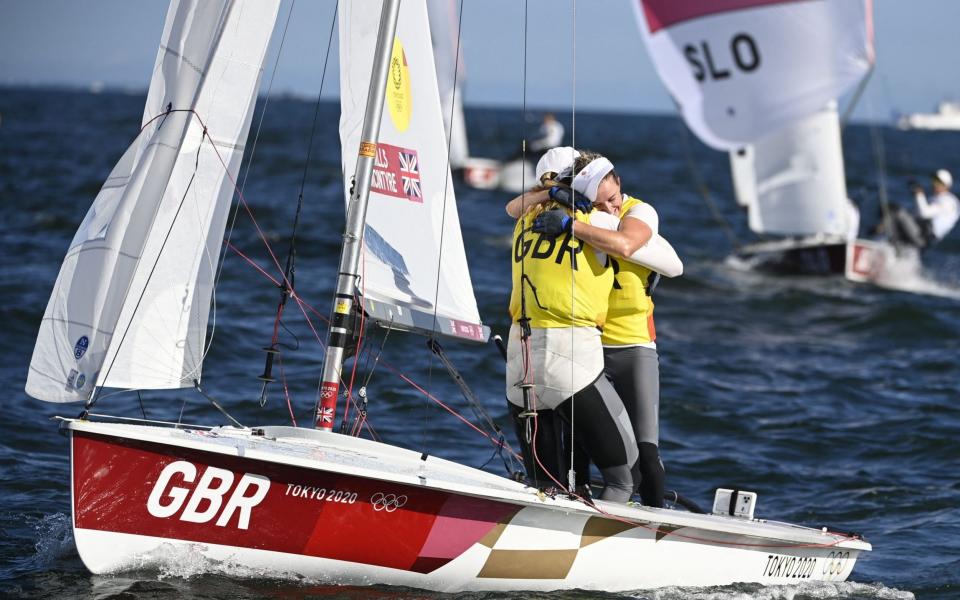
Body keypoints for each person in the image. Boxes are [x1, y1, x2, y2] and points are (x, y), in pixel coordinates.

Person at [507, 151, 683, 508]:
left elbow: (671, 264)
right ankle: (579, 517)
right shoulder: (555, 213)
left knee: (645, 456)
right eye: (601, 201)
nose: (611, 208)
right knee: (578, 452)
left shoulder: (630, 214)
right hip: (587, 349)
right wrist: (556, 202)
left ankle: (651, 524)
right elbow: (515, 205)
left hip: (632, 345)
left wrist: (574, 225)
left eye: (614, 199)